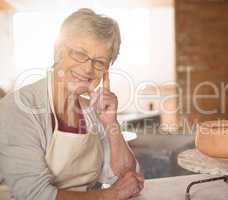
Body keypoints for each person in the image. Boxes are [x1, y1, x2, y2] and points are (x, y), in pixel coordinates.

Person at [0, 8, 144, 200]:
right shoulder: (20, 107)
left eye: (99, 62)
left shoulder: (93, 110)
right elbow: (35, 195)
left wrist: (111, 123)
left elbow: (126, 175)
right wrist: (112, 194)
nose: (87, 68)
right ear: (58, 51)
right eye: (79, 53)